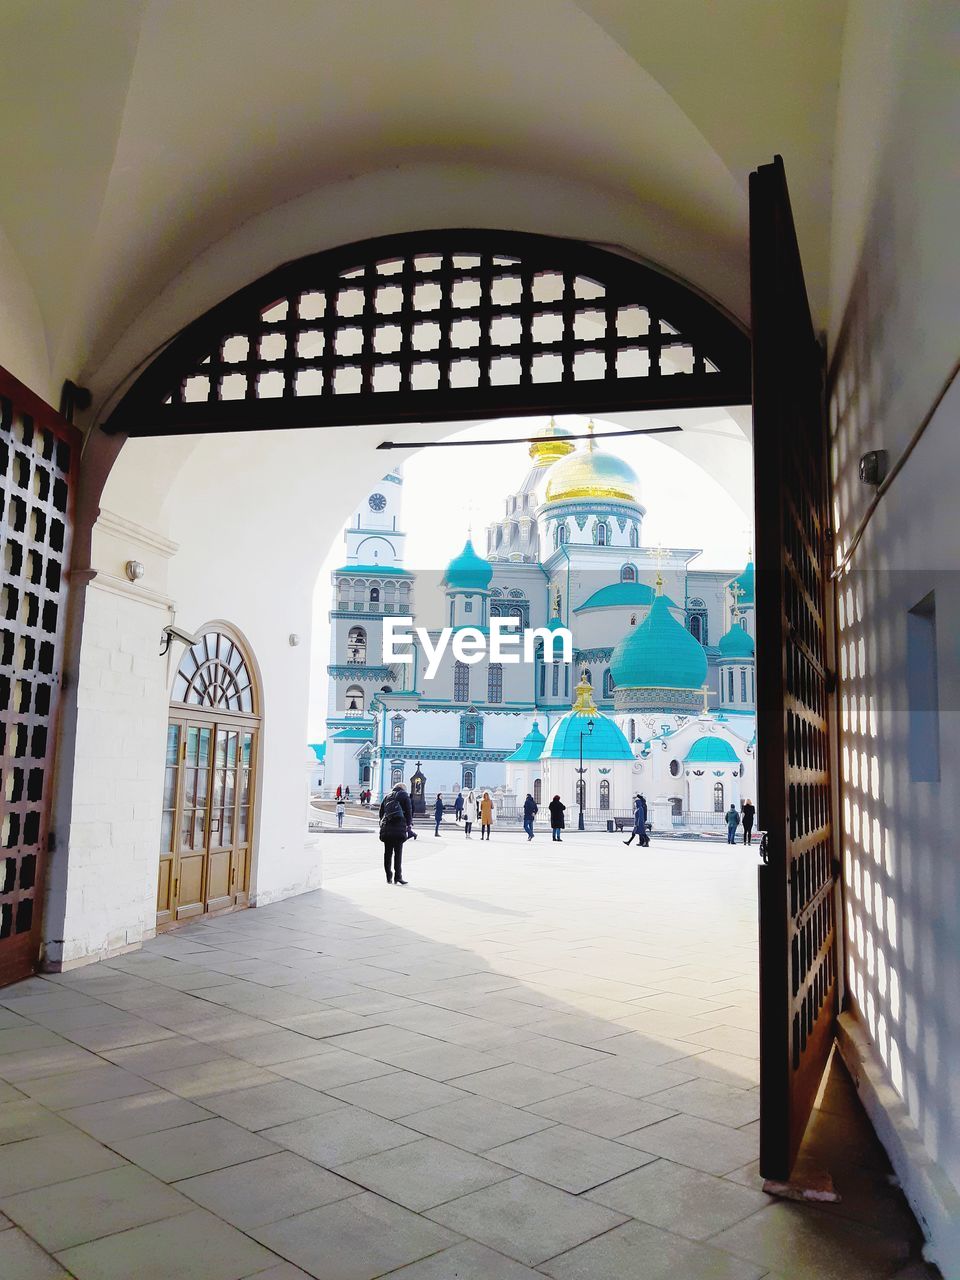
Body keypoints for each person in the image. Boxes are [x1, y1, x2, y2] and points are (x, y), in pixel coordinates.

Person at [379, 782, 412, 885]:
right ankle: (398, 877)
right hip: (399, 828)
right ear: (403, 789)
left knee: (387, 853)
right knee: (398, 854)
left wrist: (384, 822)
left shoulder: (387, 797)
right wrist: (408, 824)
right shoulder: (404, 796)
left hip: (387, 829)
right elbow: (409, 811)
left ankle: (388, 876)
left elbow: (381, 812)